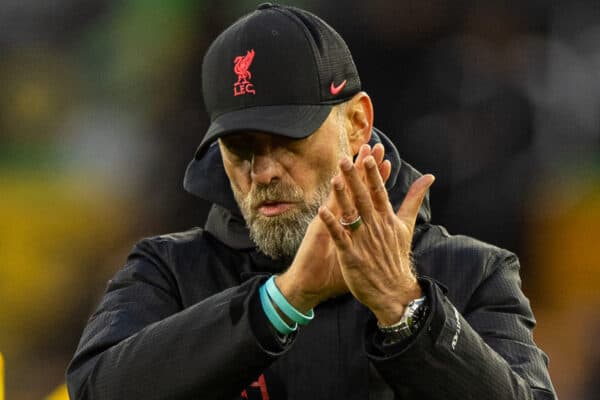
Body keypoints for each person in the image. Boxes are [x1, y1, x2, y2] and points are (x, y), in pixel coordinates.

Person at [66, 3, 557, 399]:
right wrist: (281, 301)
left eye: (286, 140)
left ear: (357, 123)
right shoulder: (169, 272)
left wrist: (405, 311)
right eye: (240, 149)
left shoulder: (470, 274)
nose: (264, 172)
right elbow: (93, 389)